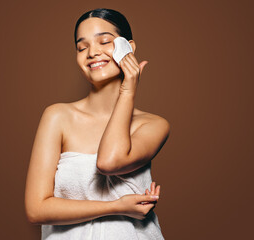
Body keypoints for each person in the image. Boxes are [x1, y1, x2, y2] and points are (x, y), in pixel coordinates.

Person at [24, 8, 170, 240]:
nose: (92, 52)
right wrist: (117, 206)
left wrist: (128, 89)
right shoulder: (57, 117)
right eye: (82, 47)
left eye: (104, 41)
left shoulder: (154, 125)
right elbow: (36, 209)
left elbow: (109, 161)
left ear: (129, 48)